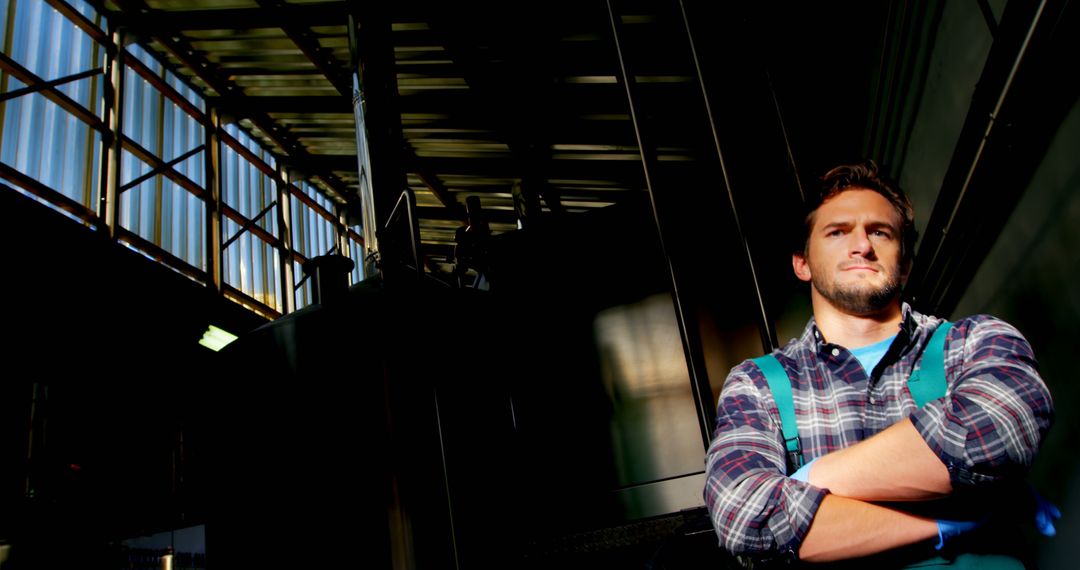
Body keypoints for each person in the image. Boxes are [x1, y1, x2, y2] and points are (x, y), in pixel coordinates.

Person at [703, 160, 1056, 567]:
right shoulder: (757, 385)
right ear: (802, 262)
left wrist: (805, 480)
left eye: (879, 232)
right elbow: (743, 515)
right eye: (838, 232)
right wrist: (947, 523)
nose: (862, 246)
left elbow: (995, 435)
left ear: (904, 265)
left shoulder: (974, 341)